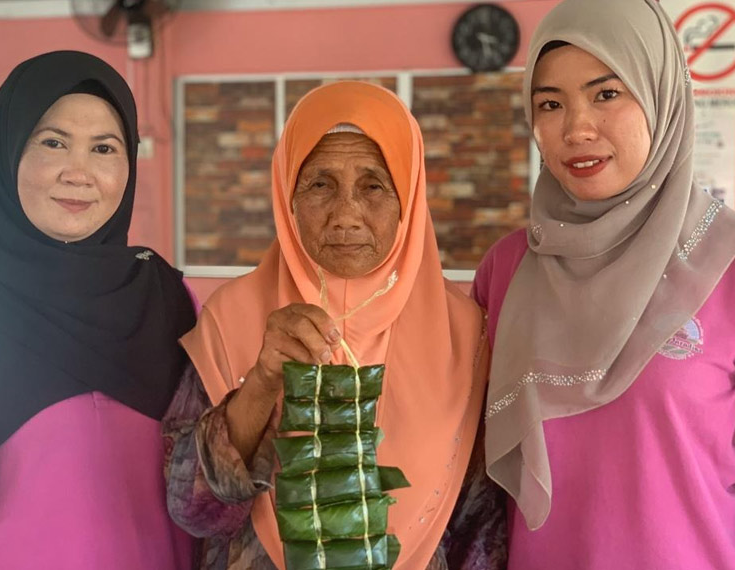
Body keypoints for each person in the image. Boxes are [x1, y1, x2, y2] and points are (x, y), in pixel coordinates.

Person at [163, 80, 493, 570]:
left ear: (408, 197)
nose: (345, 215)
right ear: (288, 198)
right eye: (320, 184)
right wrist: (261, 383)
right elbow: (192, 509)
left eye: (373, 185)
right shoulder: (232, 316)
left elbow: (481, 532)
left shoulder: (463, 333)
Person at [0, 51, 197, 569]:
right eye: (53, 142)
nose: (79, 173)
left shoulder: (171, 300)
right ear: (7, 150)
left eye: (104, 148)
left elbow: (217, 488)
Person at [472, 0, 735, 568]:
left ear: (662, 96)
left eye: (607, 93)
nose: (577, 129)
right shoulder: (506, 269)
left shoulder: (727, 264)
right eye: (550, 104)